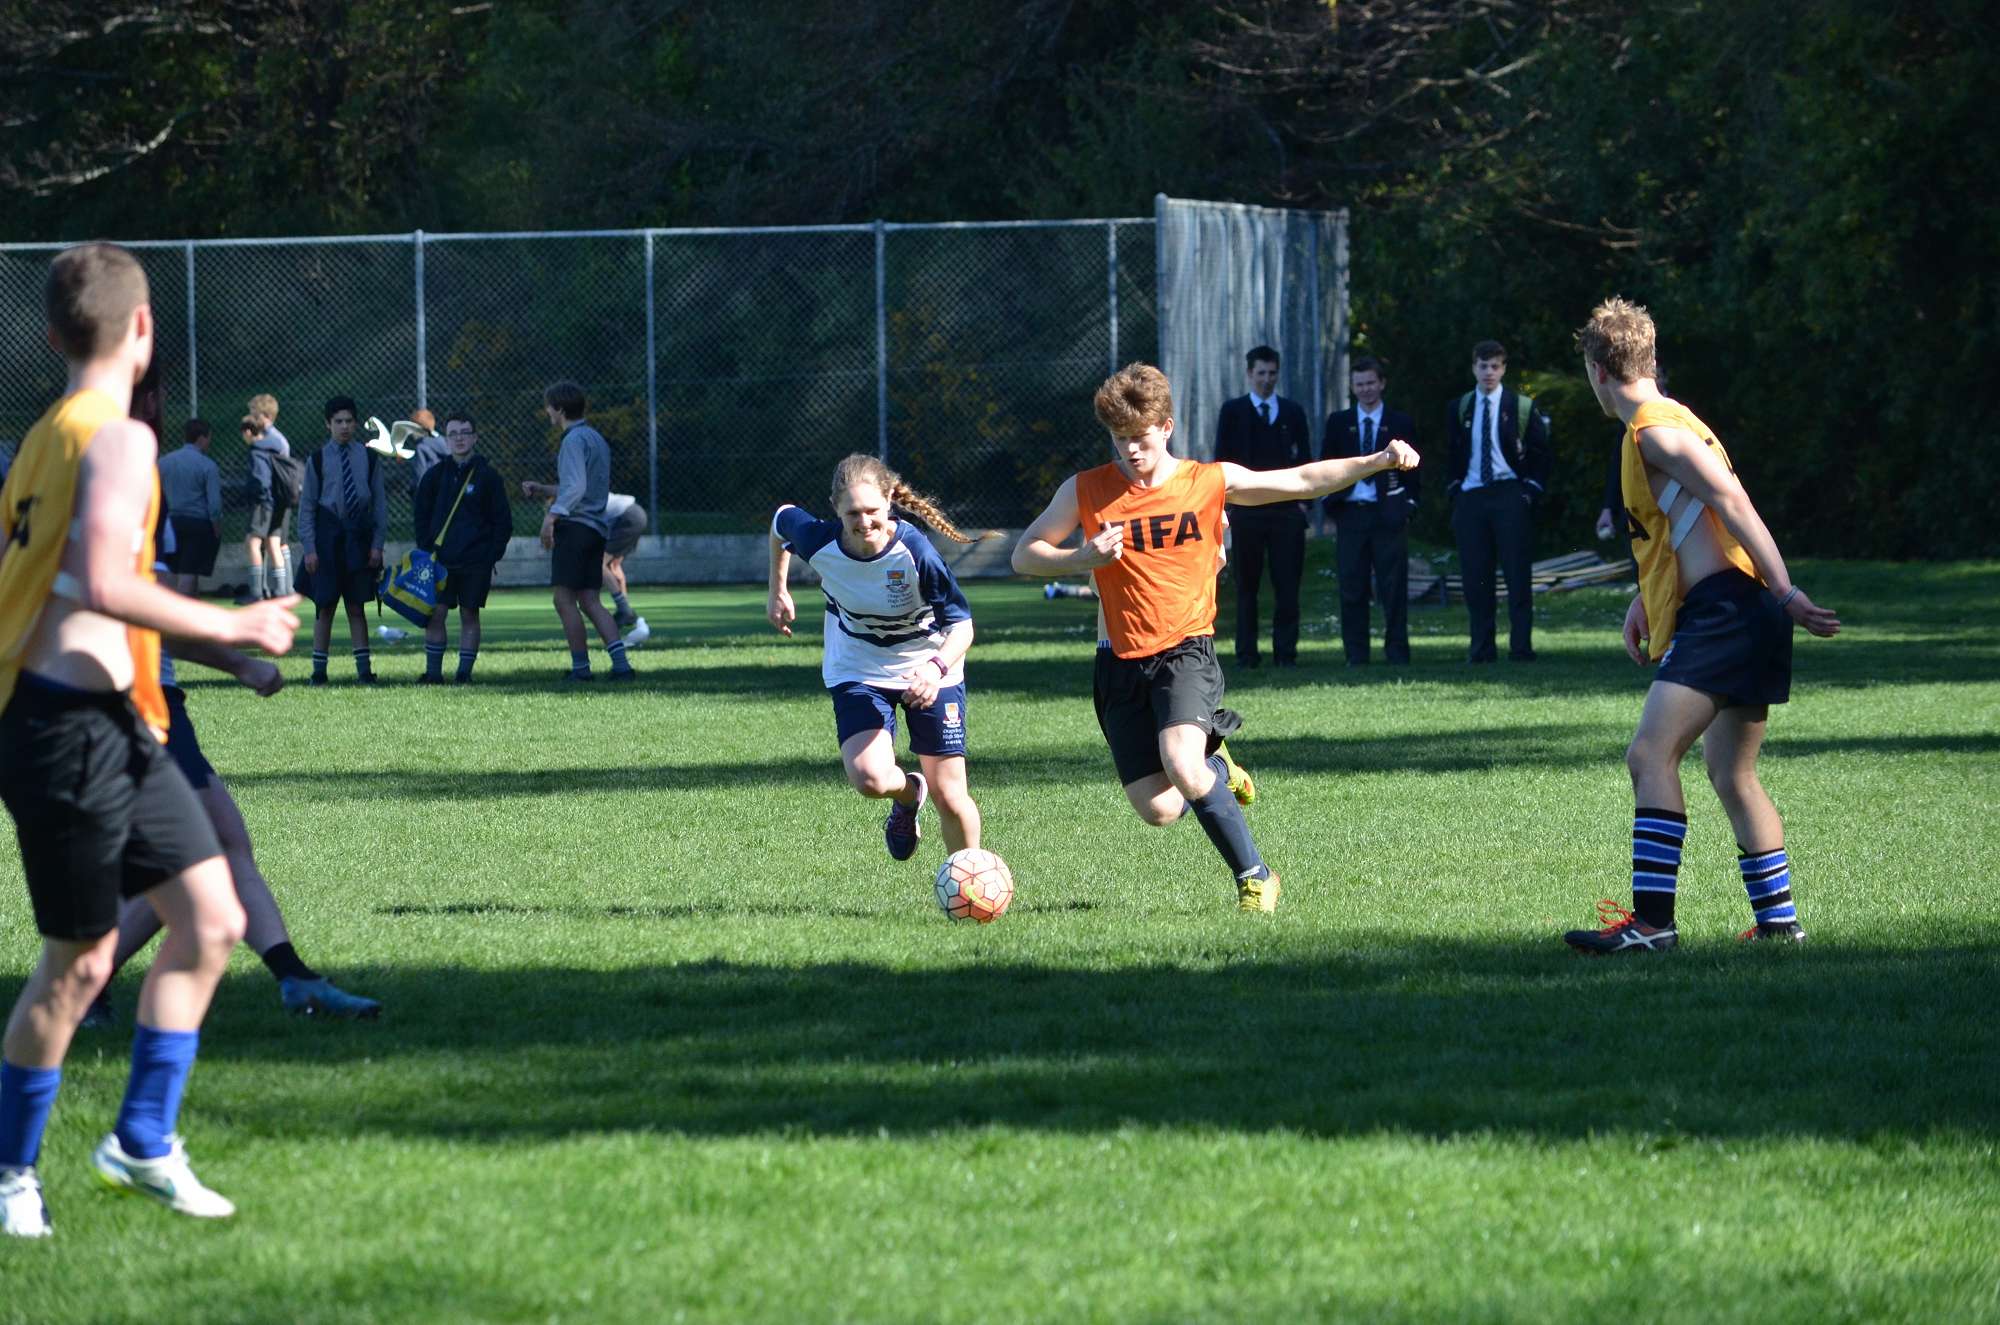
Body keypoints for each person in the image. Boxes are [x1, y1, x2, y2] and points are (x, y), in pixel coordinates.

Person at [0, 243, 300, 1238]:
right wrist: (236, 624)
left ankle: (140, 1140)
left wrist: (216, 657)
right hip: (64, 728)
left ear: (53, 336)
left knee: (209, 919)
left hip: (116, 721)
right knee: (79, 963)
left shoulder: (42, 438)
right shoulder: (118, 438)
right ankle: (10, 1174)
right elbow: (102, 582)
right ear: (142, 328)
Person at [1011, 363, 1418, 912]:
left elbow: (1300, 480)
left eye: (1141, 437)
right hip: (1120, 661)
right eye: (1120, 438)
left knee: (1181, 762)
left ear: (1167, 428)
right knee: (1158, 809)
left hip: (1185, 651)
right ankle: (1220, 766)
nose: (1131, 450)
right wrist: (1081, 557)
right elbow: (1025, 555)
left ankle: (1256, 877)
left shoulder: (1207, 482)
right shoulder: (1085, 489)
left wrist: (1377, 460)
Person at [1563, 297, 1840, 954]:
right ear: (1649, 358)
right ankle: (1779, 926)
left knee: (1649, 755)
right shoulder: (1671, 419)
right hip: (1741, 608)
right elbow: (1688, 527)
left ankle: (1653, 924)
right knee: (1732, 773)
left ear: (1598, 371)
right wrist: (1648, 600)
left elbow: (1731, 500)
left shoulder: (1653, 433)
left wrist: (1787, 590)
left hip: (1728, 611)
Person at [86, 477, 380, 1025]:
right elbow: (151, 616)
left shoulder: (108, 477)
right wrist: (240, 658)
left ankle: (294, 978)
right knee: (198, 858)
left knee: (219, 847)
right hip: (131, 699)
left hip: (145, 698)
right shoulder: (119, 478)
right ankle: (84, 984)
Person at [767, 455, 982, 862]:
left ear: (889, 502)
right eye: (852, 513)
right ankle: (908, 795)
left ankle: (969, 878)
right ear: (835, 509)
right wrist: (777, 590)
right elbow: (781, 520)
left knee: (951, 797)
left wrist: (934, 670)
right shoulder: (819, 541)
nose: (864, 522)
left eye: (872, 511)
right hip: (858, 667)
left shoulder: (915, 553)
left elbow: (963, 627)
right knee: (870, 779)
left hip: (930, 667)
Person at [1445, 339, 1550, 663]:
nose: (1488, 372)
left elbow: (1541, 453)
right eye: (1483, 366)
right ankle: (1481, 648)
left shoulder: (1520, 406)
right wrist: (1455, 488)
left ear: (1503, 369)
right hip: (1472, 495)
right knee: (1476, 576)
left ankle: (1521, 648)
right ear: (1473, 368)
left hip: (1509, 493)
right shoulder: (1460, 407)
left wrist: (1529, 490)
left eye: (1494, 366)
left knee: (1517, 574)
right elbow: (1450, 451)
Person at [526, 380, 634, 682]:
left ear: (559, 409)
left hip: (575, 529)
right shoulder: (595, 438)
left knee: (563, 600)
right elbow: (582, 486)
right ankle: (621, 666)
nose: (547, 412)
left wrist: (551, 517)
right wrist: (544, 489)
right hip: (595, 529)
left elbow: (575, 488)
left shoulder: (572, 440)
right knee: (590, 600)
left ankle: (581, 669)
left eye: (549, 407)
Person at [1213, 346, 1312, 667]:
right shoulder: (1233, 412)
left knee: (1288, 586)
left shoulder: (1293, 412)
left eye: (1272, 373)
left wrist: (1304, 505)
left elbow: (1305, 459)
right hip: (1247, 511)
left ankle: (1286, 654)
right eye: (1261, 373)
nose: (1267, 379)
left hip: (1286, 511)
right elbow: (1221, 459)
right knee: (1247, 587)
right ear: (1249, 374)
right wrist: (1227, 505)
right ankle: (1247, 654)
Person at [1321, 356, 1421, 665]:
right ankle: (1356, 655)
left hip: (1388, 513)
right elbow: (1326, 465)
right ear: (1352, 387)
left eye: (1370, 383)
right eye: (1359, 384)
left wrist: (1408, 505)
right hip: (1351, 512)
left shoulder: (1400, 422)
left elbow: (1415, 471)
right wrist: (1330, 506)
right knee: (1352, 586)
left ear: (1382, 383)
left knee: (1393, 587)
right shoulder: (1339, 422)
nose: (1365, 389)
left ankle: (1397, 653)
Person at [413, 412, 512, 684]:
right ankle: (433, 674)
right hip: (440, 559)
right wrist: (426, 549)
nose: (459, 439)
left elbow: (503, 521)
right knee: (436, 614)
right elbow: (420, 516)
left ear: (475, 437)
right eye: (453, 434)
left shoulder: (489, 477)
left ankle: (464, 674)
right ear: (446, 439)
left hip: (475, 561)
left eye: (465, 433)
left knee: (470, 613)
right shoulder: (434, 476)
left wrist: (490, 555)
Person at [298, 395, 386, 685]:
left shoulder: (369, 458)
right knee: (324, 606)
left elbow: (379, 505)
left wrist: (377, 545)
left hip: (358, 537)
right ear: (328, 424)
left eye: (349, 421)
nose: (344, 427)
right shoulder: (318, 459)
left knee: (356, 606)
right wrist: (310, 548)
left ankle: (364, 670)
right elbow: (307, 507)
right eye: (338, 422)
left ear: (356, 423)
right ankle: (319, 671)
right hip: (328, 539)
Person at [156, 419, 222, 595]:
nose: (209, 442)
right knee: (189, 569)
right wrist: (216, 526)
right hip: (197, 523)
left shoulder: (164, 462)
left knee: (171, 567)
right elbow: (214, 503)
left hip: (170, 522)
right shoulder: (208, 465)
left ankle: (168, 605)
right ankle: (184, 604)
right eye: (208, 438)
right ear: (201, 438)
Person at [240, 393, 294, 604]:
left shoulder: (266, 442)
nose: (252, 419)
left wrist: (253, 443)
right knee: (275, 542)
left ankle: (261, 592)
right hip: (279, 498)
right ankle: (283, 589)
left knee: (259, 542)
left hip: (269, 500)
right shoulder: (275, 439)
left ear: (266, 416)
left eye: (255, 414)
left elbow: (263, 477)